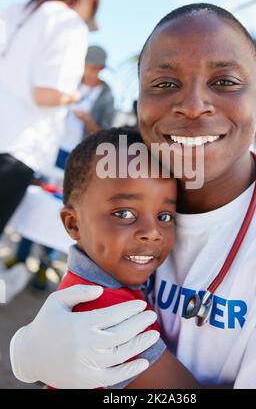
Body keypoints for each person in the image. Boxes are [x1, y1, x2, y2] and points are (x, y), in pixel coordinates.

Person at [9, 4, 256, 389]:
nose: (194, 105)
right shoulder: (121, 193)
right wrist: (25, 354)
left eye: (225, 81)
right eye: (164, 84)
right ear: (139, 105)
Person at [47, 127, 199, 389]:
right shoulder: (108, 314)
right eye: (124, 214)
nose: (152, 232)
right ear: (73, 224)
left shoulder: (84, 288)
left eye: (165, 217)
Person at [0, 0, 100, 236]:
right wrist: (74, 94)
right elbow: (46, 93)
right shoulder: (71, 24)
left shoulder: (16, 10)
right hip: (19, 147)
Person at [55, 44, 115, 170]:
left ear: (101, 69)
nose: (88, 72)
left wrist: (88, 121)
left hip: (78, 155)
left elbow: (105, 135)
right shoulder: (70, 82)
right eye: (86, 66)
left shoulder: (106, 95)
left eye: (94, 68)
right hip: (53, 144)